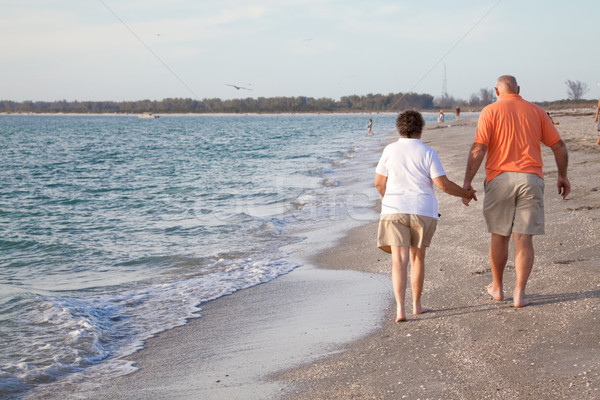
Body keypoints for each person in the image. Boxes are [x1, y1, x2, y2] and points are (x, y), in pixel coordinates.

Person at [462, 75, 570, 308]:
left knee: (499, 235)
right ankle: (520, 293)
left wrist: (467, 182)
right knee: (523, 238)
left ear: (496, 91)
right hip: (531, 179)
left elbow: (479, 148)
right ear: (519, 89)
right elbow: (558, 146)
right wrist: (562, 175)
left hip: (499, 179)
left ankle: (497, 287)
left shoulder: (489, 111)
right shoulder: (537, 112)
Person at [375, 111, 477, 322]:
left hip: (394, 209)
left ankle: (400, 310)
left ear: (399, 128)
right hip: (422, 210)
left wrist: (387, 199)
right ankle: (416, 305)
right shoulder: (428, 152)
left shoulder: (389, 150)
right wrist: (466, 194)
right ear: (421, 128)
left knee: (398, 261)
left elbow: (378, 182)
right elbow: (443, 185)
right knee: (417, 258)